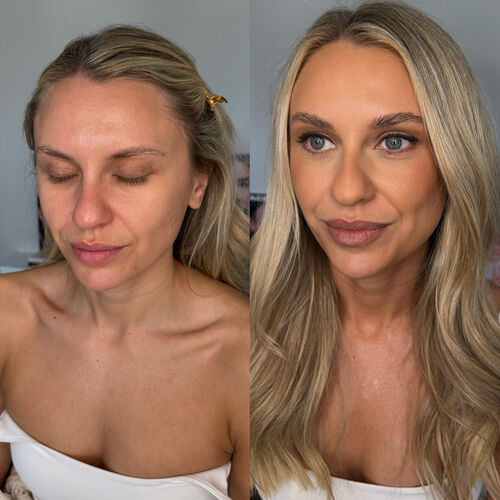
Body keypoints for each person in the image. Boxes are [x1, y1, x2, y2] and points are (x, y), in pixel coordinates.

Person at [250, 2, 500, 499]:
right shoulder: (244, 328)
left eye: (394, 141)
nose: (347, 190)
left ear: (455, 159)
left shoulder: (491, 345)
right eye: (316, 140)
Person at [0, 25, 249, 500]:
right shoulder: (7, 316)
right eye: (60, 173)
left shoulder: (252, 359)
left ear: (198, 183)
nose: (85, 214)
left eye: (131, 176)